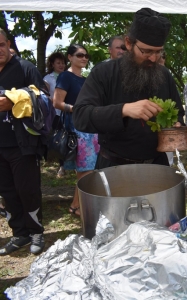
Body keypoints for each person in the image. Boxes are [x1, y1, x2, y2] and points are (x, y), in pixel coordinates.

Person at [72, 8, 184, 169]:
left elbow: (178, 113)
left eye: (158, 52)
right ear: (129, 43)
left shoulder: (164, 75)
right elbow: (80, 116)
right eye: (146, 51)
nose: (153, 58)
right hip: (113, 167)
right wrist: (123, 110)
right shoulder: (104, 73)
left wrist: (176, 124)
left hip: (157, 166)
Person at [0, 28, 46, 255]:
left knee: (27, 190)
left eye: (0, 45)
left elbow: (44, 97)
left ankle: (37, 232)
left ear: (8, 44)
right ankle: (19, 234)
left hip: (22, 143)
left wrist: (16, 100)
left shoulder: (25, 67)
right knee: (7, 192)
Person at [53, 44, 100, 217]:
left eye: (86, 56)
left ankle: (77, 205)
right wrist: (77, 109)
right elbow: (56, 102)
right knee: (85, 170)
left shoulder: (85, 79)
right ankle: (76, 206)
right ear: (70, 57)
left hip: (89, 128)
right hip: (75, 128)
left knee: (89, 169)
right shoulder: (66, 76)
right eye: (80, 55)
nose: (84, 58)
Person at [43, 51, 67, 177]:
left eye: (63, 63)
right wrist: (56, 101)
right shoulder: (48, 79)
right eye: (58, 63)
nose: (61, 65)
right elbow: (46, 96)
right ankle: (62, 166)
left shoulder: (69, 76)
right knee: (60, 138)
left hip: (69, 112)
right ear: (52, 64)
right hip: (56, 113)